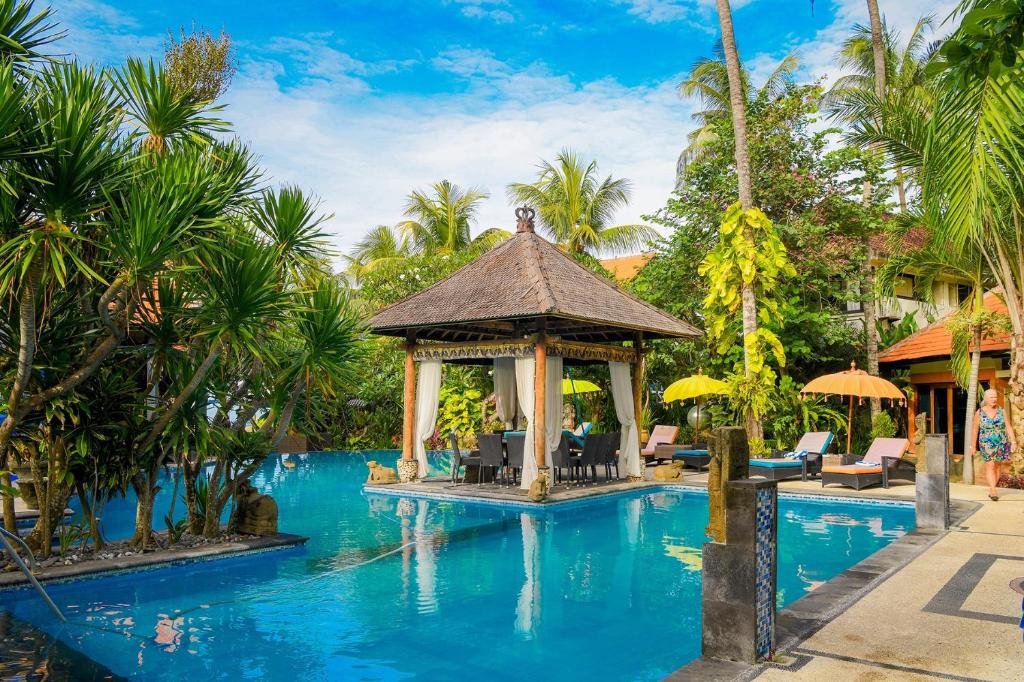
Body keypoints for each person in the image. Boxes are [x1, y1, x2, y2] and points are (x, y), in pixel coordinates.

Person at [969, 388, 1017, 501]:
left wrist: (1013, 441)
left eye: (995, 397)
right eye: (991, 397)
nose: (994, 399)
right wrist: (973, 446)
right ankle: (994, 490)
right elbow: (975, 430)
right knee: (990, 465)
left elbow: (1008, 427)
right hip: (986, 443)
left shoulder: (1002, 411)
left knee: (997, 466)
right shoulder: (979, 413)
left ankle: (992, 488)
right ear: (985, 399)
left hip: (1001, 443)